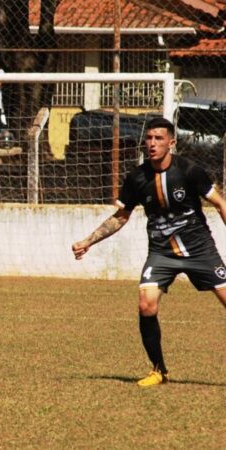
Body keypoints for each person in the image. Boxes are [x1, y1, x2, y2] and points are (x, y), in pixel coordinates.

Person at [72, 117, 226, 388]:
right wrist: (89, 240)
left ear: (171, 142)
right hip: (161, 253)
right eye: (149, 138)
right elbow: (121, 216)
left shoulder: (190, 171)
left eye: (159, 138)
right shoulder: (137, 177)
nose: (152, 144)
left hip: (200, 249)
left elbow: (220, 203)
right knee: (146, 304)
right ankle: (159, 370)